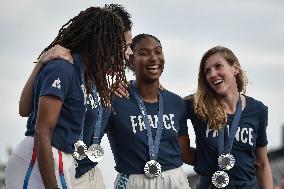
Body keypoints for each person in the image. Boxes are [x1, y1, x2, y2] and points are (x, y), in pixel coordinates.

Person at [5, 6, 127, 189]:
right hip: (41, 157)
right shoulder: (63, 68)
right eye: (116, 47)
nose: (118, 56)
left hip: (61, 158)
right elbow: (42, 132)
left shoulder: (82, 73)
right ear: (99, 43)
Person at [106, 33, 193, 189]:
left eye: (158, 52)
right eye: (144, 53)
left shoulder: (176, 102)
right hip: (134, 180)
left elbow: (184, 153)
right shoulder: (115, 102)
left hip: (175, 179)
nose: (153, 58)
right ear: (131, 60)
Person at [184, 46, 273, 188]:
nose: (213, 74)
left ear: (235, 68)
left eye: (218, 66)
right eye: (207, 71)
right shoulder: (197, 105)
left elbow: (262, 164)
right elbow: (167, 104)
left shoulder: (258, 110)